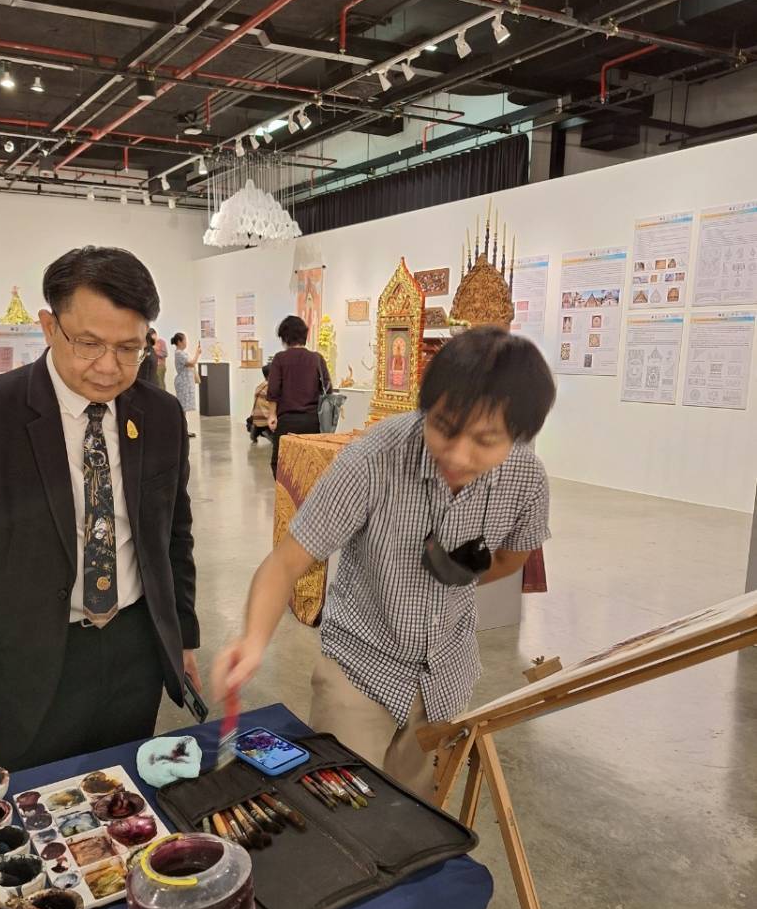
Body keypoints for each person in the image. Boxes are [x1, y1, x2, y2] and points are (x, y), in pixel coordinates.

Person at [213, 328, 556, 800]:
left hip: (445, 675)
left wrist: (458, 576)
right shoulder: (374, 458)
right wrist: (253, 640)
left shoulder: (527, 479)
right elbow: (287, 562)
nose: (458, 454)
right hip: (359, 669)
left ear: (518, 435)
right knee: (340, 808)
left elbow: (510, 558)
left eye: (485, 440)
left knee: (413, 814)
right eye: (444, 426)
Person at [0, 246, 201, 769]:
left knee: (123, 792)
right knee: (34, 802)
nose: (109, 367)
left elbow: (174, 536)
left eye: (129, 348)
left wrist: (180, 636)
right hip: (26, 664)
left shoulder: (160, 414)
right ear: (49, 327)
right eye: (89, 344)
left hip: (135, 650)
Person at [266, 315, 330, 478]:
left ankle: (288, 494)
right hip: (313, 422)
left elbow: (273, 389)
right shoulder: (317, 358)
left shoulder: (280, 359)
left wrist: (272, 415)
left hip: (286, 422)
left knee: (281, 465)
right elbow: (328, 389)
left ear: (285, 337)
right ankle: (308, 494)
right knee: (310, 465)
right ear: (304, 335)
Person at [171, 332, 200, 438]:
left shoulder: (181, 353)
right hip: (183, 383)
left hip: (185, 382)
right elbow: (191, 363)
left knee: (184, 408)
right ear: (179, 342)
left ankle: (184, 430)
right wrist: (197, 353)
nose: (186, 342)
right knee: (182, 407)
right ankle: (182, 430)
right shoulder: (179, 353)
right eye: (185, 340)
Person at [247, 363, 273, 442]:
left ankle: (256, 430)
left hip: (257, 416)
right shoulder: (271, 387)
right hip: (267, 417)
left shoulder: (260, 386)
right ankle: (268, 433)